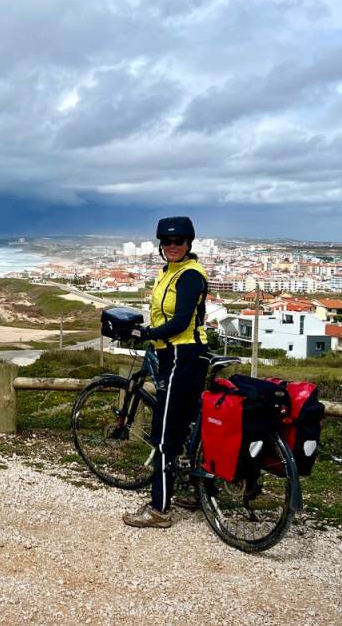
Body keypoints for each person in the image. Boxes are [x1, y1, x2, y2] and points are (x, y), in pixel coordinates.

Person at [122, 215, 210, 528]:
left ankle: (159, 510)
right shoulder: (167, 272)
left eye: (179, 241)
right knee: (185, 426)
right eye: (168, 242)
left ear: (189, 244)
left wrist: (146, 334)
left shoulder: (189, 275)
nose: (173, 246)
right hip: (175, 353)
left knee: (163, 434)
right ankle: (200, 489)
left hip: (182, 354)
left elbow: (180, 322)